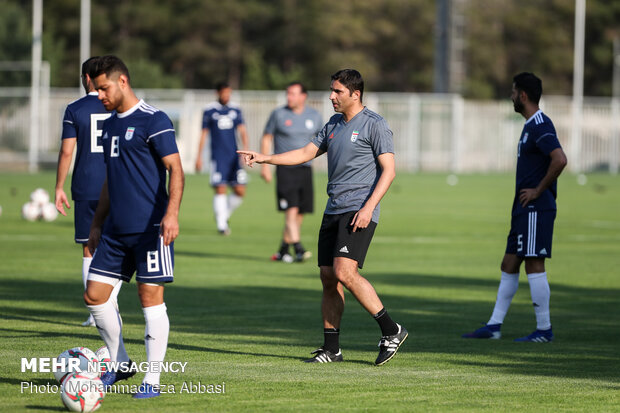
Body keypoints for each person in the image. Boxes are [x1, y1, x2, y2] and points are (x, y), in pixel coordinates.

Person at [239, 69, 407, 365]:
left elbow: (389, 171)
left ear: (355, 94)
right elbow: (305, 152)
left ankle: (391, 330)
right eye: (331, 90)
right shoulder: (333, 124)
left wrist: (368, 208)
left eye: (338, 91)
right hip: (333, 209)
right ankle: (332, 349)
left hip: (357, 209)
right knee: (328, 277)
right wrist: (265, 157)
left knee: (344, 272)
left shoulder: (375, 125)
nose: (331, 96)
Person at [83, 55, 184, 398]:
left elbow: (177, 170)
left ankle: (152, 380)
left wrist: (171, 215)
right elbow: (110, 181)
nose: (100, 95)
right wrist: (97, 223)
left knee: (149, 298)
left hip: (151, 228)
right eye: (96, 89)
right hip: (114, 230)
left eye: (103, 87)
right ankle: (120, 361)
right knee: (94, 296)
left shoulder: (154, 119)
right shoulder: (110, 124)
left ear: (122, 81)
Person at [462, 72, 567, 342]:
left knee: (533, 264)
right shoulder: (530, 125)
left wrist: (538, 190)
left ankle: (544, 330)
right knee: (509, 263)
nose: (510, 96)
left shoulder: (540, 124)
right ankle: (494, 326)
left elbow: (560, 159)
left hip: (536, 208)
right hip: (522, 208)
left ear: (522, 95)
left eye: (512, 91)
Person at [54, 56, 122, 327]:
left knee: (88, 248)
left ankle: (97, 313)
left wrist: (59, 186)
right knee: (116, 248)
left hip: (86, 185)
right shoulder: (118, 105)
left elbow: (67, 151)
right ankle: (111, 307)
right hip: (117, 185)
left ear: (86, 78)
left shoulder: (75, 109)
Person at [260, 82, 322, 263]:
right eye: (288, 94)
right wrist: (265, 165)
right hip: (285, 169)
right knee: (291, 210)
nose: (289, 97)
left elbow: (322, 140)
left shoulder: (314, 115)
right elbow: (267, 137)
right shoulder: (278, 114)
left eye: (293, 94)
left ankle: (283, 250)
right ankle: (299, 248)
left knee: (300, 212)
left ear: (303, 96)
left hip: (305, 169)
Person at [195, 82, 249, 235]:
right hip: (218, 157)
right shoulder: (209, 110)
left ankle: (223, 215)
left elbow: (243, 131)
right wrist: (198, 156)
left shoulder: (235, 109)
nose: (226, 96)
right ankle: (221, 225)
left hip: (234, 156)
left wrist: (246, 152)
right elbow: (204, 134)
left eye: (228, 93)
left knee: (240, 190)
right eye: (224, 93)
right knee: (220, 188)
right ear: (217, 93)